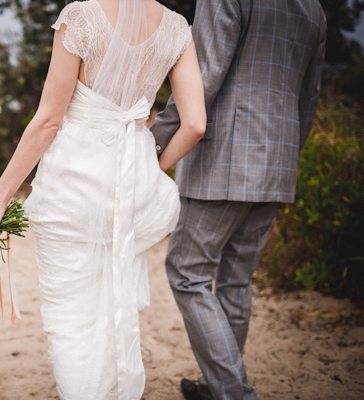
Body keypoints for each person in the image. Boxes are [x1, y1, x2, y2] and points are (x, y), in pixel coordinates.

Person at [0, 0, 205, 398]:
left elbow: (49, 120)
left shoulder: (81, 17)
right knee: (112, 309)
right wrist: (151, 169)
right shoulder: (177, 28)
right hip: (131, 187)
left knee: (71, 321)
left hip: (73, 188)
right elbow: (196, 125)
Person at [150, 0, 326, 399]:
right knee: (235, 280)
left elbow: (203, 77)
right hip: (278, 162)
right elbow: (309, 96)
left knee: (187, 273)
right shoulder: (314, 9)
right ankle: (216, 386)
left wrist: (152, 143)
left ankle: (232, 391)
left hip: (224, 159)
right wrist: (284, 157)